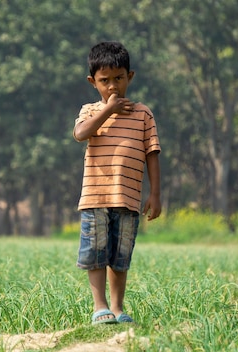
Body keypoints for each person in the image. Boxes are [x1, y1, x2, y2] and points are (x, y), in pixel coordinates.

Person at [72, 41, 162, 325]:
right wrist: (108, 111)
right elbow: (80, 134)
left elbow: (152, 154)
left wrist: (155, 194)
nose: (112, 86)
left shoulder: (143, 114)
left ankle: (118, 307)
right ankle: (100, 307)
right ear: (93, 82)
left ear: (130, 77)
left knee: (120, 256)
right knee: (96, 252)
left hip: (128, 198)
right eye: (104, 81)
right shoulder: (90, 111)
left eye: (118, 79)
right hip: (95, 197)